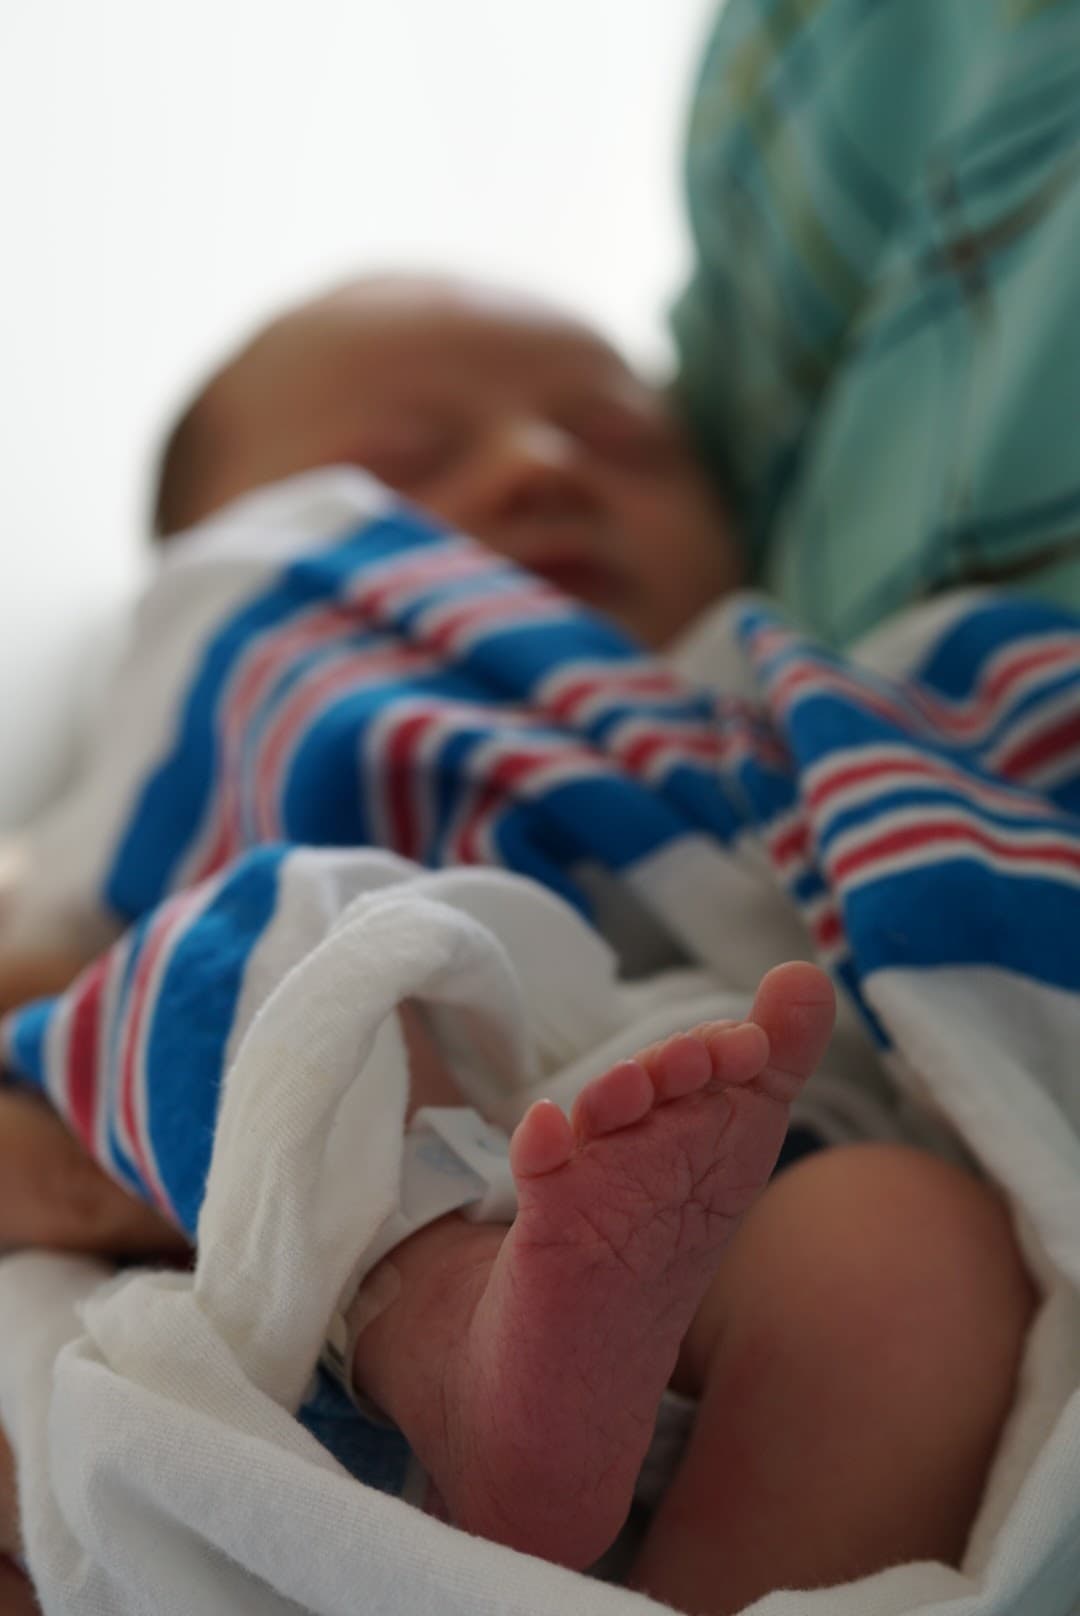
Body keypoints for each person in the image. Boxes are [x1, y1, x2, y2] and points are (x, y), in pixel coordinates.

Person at [0, 273, 1036, 1614]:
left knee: (905, 1260)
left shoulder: (777, 708)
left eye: (621, 442)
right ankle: (430, 1307)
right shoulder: (238, 677)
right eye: (404, 465)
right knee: (278, 942)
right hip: (249, 1281)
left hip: (699, 1218)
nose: (539, 463)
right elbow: (45, 980)